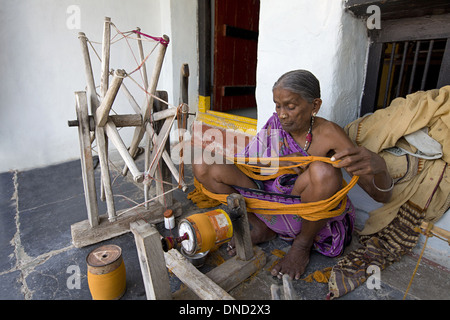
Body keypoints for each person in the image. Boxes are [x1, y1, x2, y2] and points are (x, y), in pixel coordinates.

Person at [193, 70, 393, 280]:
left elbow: (382, 196)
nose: (282, 114)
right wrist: (277, 164)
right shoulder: (275, 124)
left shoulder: (330, 134)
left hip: (305, 212)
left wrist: (380, 168)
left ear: (314, 105)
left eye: (290, 106)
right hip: (269, 203)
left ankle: (301, 246)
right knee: (203, 163)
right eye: (277, 105)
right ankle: (260, 227)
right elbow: (247, 162)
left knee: (325, 170)